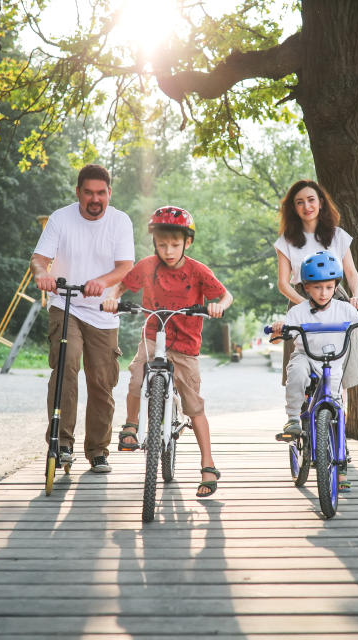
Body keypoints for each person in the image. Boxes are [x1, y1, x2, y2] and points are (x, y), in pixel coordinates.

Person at [102, 206, 233, 497]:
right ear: (154, 244)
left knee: (194, 405)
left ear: (187, 242)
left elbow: (225, 294)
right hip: (153, 335)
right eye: (162, 245)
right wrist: (112, 298)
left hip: (186, 345)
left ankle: (208, 464)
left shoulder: (198, 271)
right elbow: (122, 286)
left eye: (175, 244)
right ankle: (131, 427)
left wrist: (218, 306)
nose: (168, 250)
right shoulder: (148, 266)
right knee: (136, 376)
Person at [31, 164, 135, 474]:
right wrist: (43, 275)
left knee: (102, 383)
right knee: (67, 363)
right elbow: (39, 259)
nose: (95, 199)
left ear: (109, 194)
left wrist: (102, 283)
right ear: (78, 192)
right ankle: (61, 443)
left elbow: (125, 266)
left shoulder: (120, 221)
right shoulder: (61, 219)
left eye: (101, 193)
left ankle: (98, 451)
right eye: (88, 192)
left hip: (103, 312)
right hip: (66, 305)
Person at [271, 250, 358, 489]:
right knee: (297, 374)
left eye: (328, 287)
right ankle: (293, 418)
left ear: (336, 286)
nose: (323, 293)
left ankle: (340, 456)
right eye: (316, 288)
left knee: (336, 408)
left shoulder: (345, 310)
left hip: (332, 364)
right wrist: (278, 329)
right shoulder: (298, 311)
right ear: (306, 288)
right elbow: (280, 335)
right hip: (306, 356)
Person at [273, 180, 358, 390]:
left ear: (321, 202)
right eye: (300, 202)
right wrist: (306, 305)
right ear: (294, 208)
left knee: (339, 372)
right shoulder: (286, 241)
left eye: (311, 200)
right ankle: (300, 417)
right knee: (302, 366)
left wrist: (357, 294)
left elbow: (351, 272)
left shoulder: (337, 235)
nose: (307, 206)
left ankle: (338, 419)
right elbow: (283, 283)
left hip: (336, 299)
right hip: (301, 299)